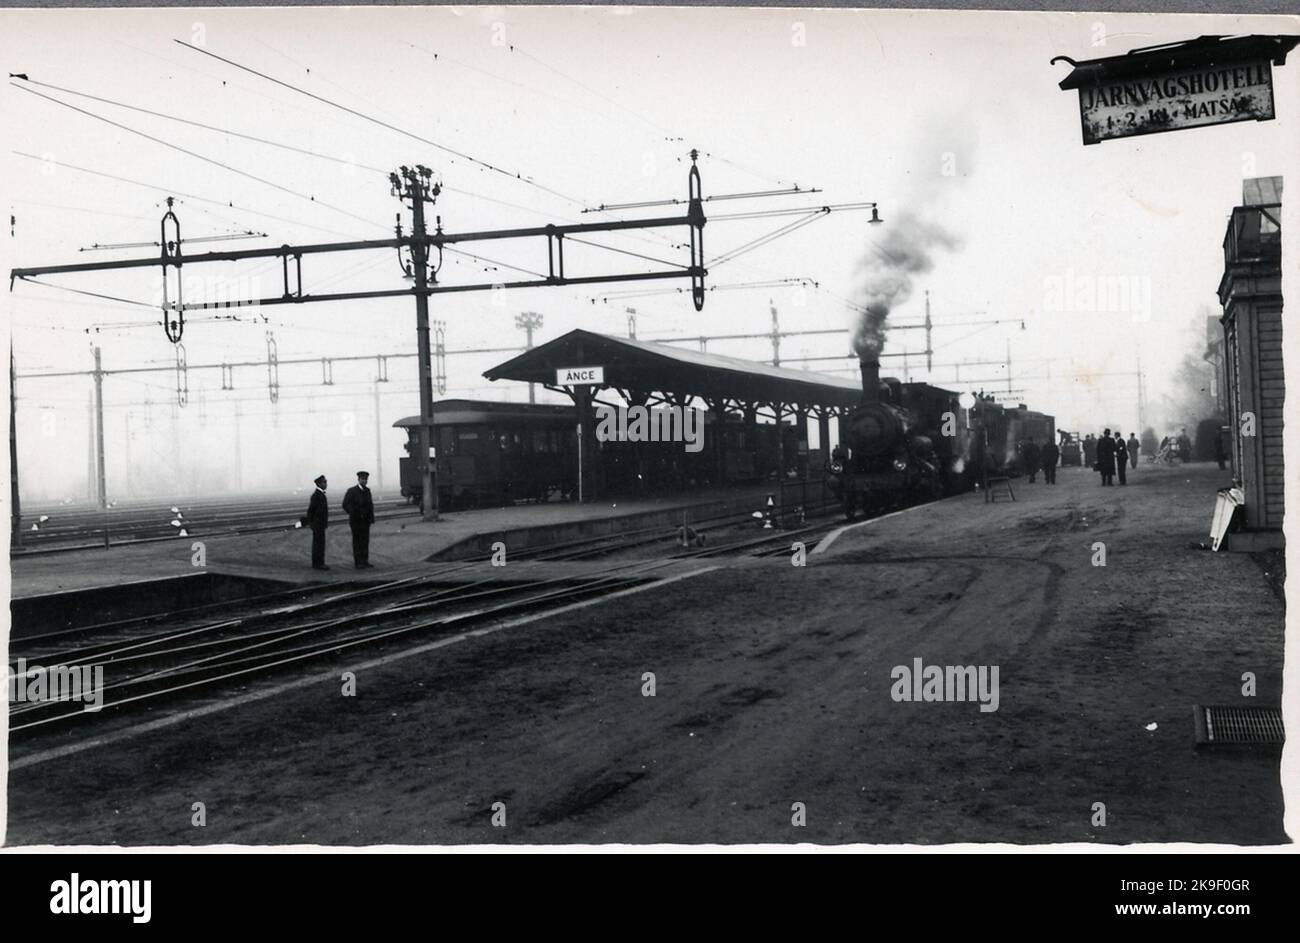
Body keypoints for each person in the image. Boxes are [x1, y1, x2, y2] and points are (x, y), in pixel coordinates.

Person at [342, 470, 376, 569]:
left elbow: (370, 505)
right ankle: (358, 562)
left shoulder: (367, 491)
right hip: (355, 521)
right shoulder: (352, 491)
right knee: (357, 541)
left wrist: (371, 518)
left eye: (366, 479)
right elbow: (345, 504)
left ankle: (365, 561)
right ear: (358, 479)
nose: (364, 481)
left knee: (365, 541)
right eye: (363, 479)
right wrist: (353, 513)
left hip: (365, 521)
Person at [303, 474, 330, 570]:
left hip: (320, 524)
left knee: (319, 544)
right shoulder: (316, 496)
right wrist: (312, 523)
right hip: (318, 524)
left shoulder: (320, 494)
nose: (326, 484)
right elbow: (311, 511)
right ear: (319, 484)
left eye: (326, 482)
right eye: (324, 482)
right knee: (318, 545)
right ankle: (318, 564)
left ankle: (319, 563)